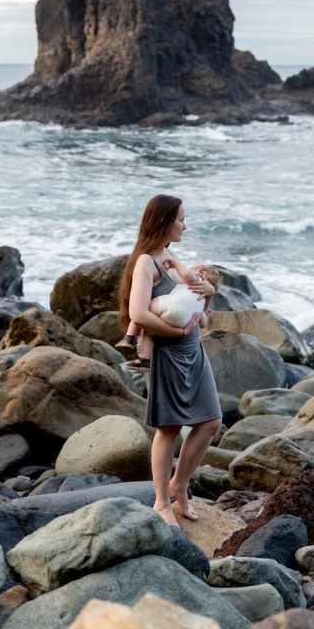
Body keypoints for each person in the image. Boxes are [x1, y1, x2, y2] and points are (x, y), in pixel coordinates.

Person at [118, 195, 222, 527]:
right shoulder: (145, 262)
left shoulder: (170, 258)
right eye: (180, 219)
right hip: (169, 352)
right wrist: (174, 334)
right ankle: (162, 502)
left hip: (194, 350)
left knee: (210, 421)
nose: (185, 225)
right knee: (169, 428)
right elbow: (138, 313)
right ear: (163, 222)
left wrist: (208, 290)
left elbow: (195, 295)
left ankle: (179, 484)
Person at [123, 263, 221, 367]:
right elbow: (203, 323)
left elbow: (186, 275)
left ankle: (130, 337)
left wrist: (174, 263)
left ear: (202, 272)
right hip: (182, 322)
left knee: (144, 311)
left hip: (170, 308)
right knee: (149, 332)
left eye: (193, 267)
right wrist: (207, 303)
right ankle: (145, 360)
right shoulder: (202, 300)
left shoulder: (197, 279)